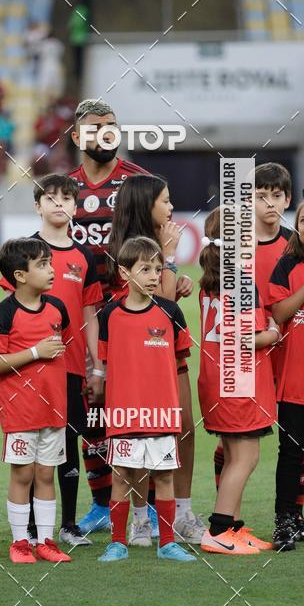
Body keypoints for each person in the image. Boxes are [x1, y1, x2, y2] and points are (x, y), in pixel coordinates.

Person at [0, 175, 103, 546]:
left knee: (67, 443)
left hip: (69, 365)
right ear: (37, 205)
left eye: (67, 198)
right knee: (29, 449)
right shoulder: (25, 250)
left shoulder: (83, 256)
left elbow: (89, 311)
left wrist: (97, 363)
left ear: (76, 207)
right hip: (28, 370)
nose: (59, 204)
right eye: (51, 197)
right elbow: (11, 307)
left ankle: (69, 524)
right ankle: (25, 529)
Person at [213, 163, 304, 540]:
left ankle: (293, 517)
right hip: (249, 355)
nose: (269, 203)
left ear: (288, 199)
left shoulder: (298, 246)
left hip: (290, 355)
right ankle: (230, 520)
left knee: (294, 440)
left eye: (276, 195)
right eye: (259, 196)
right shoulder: (237, 250)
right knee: (234, 438)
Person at [106, 174, 202, 546]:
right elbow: (159, 306)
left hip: (168, 354)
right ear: (146, 205)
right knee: (143, 435)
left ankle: (182, 512)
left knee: (182, 427)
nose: (171, 207)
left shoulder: (154, 250)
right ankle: (142, 519)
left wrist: (177, 277)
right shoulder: (127, 250)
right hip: (139, 360)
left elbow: (168, 304)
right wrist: (171, 259)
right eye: (164, 201)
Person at [68, 98, 148, 536]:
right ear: (78, 136)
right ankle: (101, 504)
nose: (106, 134)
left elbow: (158, 244)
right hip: (84, 315)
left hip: (131, 313)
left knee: (142, 409)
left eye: (112, 126)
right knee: (92, 411)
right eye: (96, 127)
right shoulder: (64, 189)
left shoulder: (139, 182)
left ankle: (147, 505)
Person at [97, 237, 196, 563]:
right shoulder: (109, 315)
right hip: (124, 413)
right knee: (122, 475)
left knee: (164, 475)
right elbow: (106, 360)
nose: (155, 275)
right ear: (125, 273)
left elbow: (181, 358)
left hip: (162, 412)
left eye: (158, 268)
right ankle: (118, 542)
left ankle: (167, 543)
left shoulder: (170, 311)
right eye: (146, 269)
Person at [0, 237, 72, 564]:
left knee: (47, 475)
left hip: (54, 408)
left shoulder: (57, 309)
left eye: (50, 262)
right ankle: (20, 542)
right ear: (20, 275)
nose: (51, 270)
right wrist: (35, 353)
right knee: (23, 475)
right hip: (20, 411)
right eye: (42, 265)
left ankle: (46, 541)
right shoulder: (1, 316)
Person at [197, 209, 277, 555]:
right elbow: (250, 338)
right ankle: (217, 531)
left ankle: (233, 528)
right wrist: (273, 331)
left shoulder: (211, 280)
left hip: (217, 379)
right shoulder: (241, 280)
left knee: (233, 456)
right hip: (239, 381)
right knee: (246, 458)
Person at [267, 193, 304, 550]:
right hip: (295, 380)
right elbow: (279, 314)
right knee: (291, 452)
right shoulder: (288, 265)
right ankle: (286, 521)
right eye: (303, 220)